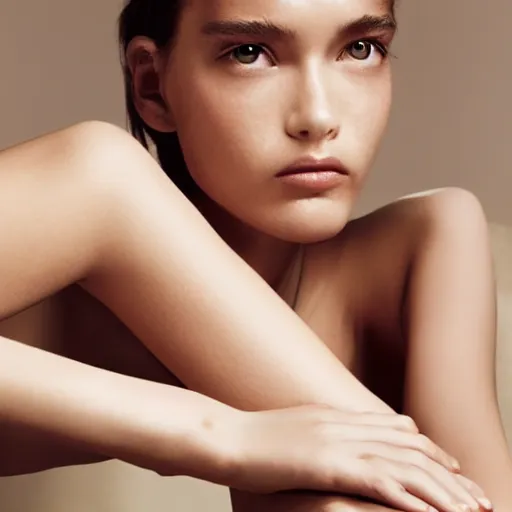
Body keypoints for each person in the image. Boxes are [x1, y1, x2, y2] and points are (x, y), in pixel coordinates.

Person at [0, 0, 510, 511]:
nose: (318, 117)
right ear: (153, 86)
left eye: (361, 49)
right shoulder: (91, 185)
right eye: (249, 53)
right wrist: (225, 437)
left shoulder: (425, 246)